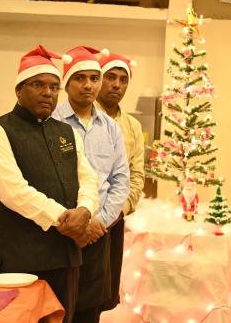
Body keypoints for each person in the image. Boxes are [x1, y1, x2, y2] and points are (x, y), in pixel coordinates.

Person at [0, 45, 99, 323]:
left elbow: (88, 178)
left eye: (54, 86)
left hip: (67, 257)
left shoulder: (66, 131)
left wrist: (85, 211)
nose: (48, 92)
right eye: (38, 85)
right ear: (19, 90)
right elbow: (13, 191)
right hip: (24, 259)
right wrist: (65, 219)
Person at [52, 46, 130, 323]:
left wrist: (100, 221)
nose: (88, 85)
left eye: (94, 78)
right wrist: (74, 223)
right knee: (57, 310)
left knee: (90, 311)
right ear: (67, 83)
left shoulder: (110, 128)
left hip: (98, 234)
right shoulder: (50, 122)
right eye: (80, 78)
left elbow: (120, 180)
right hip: (60, 234)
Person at [95, 52, 145, 312]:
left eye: (123, 79)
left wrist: (118, 211)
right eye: (110, 77)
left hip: (113, 221)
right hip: (82, 219)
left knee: (102, 295)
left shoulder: (132, 126)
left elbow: (137, 175)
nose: (117, 85)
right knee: (73, 295)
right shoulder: (82, 117)